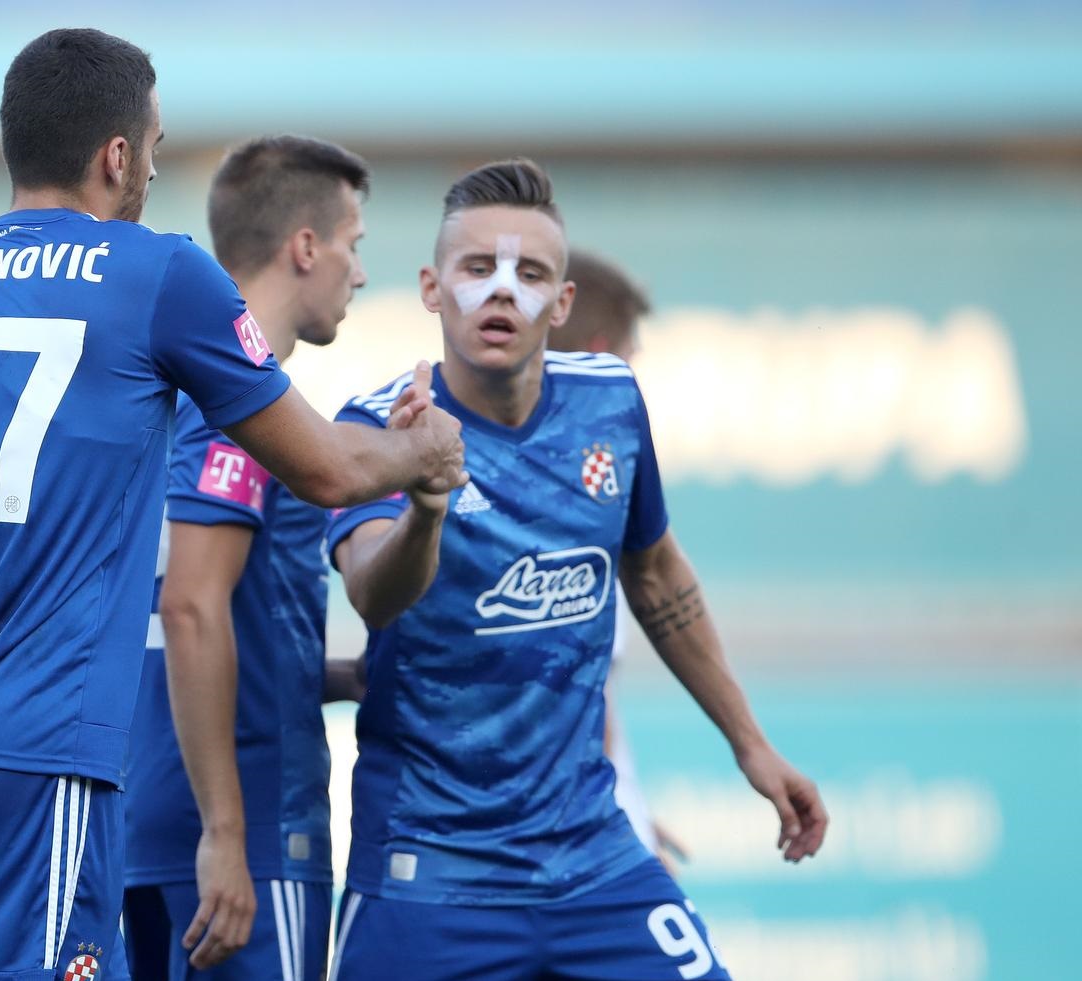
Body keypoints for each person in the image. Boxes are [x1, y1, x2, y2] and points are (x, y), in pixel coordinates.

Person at [0, 29, 465, 981]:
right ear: (117, 154)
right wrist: (423, 451)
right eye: (155, 148)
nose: (155, 172)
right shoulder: (157, 272)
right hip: (49, 763)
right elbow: (327, 468)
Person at [325, 159, 828, 981]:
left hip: (591, 861)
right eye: (477, 268)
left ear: (561, 303)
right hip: (431, 870)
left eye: (529, 274)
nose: (501, 291)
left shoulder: (612, 403)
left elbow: (658, 573)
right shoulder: (379, 421)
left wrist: (752, 745)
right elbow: (374, 595)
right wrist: (425, 503)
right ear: (431, 287)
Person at [122, 135, 369, 981]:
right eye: (354, 243)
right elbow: (190, 605)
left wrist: (339, 676)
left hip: (137, 816)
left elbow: (212, 609)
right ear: (307, 247)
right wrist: (227, 836)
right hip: (243, 833)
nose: (359, 273)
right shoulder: (240, 404)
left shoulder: (151, 393)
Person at [548, 249, 687, 866]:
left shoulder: (592, 472)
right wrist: (621, 826)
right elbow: (578, 703)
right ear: (603, 352)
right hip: (578, 847)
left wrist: (633, 809)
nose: (635, 373)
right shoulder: (574, 486)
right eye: (631, 356)